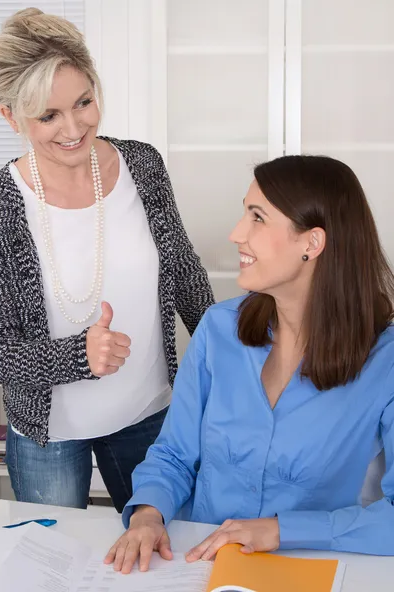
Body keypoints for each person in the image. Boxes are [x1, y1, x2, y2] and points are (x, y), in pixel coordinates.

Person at [0, 7, 214, 512]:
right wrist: (80, 357)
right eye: (48, 115)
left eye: (83, 102)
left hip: (149, 413)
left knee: (163, 553)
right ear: (10, 115)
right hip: (49, 436)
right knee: (54, 565)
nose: (74, 127)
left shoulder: (141, 165)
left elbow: (183, 272)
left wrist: (233, 359)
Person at [106, 154, 394, 572]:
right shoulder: (218, 330)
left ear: (311, 243)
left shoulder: (384, 359)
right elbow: (173, 454)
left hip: (306, 568)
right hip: (196, 563)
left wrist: (280, 530)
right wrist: (149, 515)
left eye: (257, 218)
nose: (237, 233)